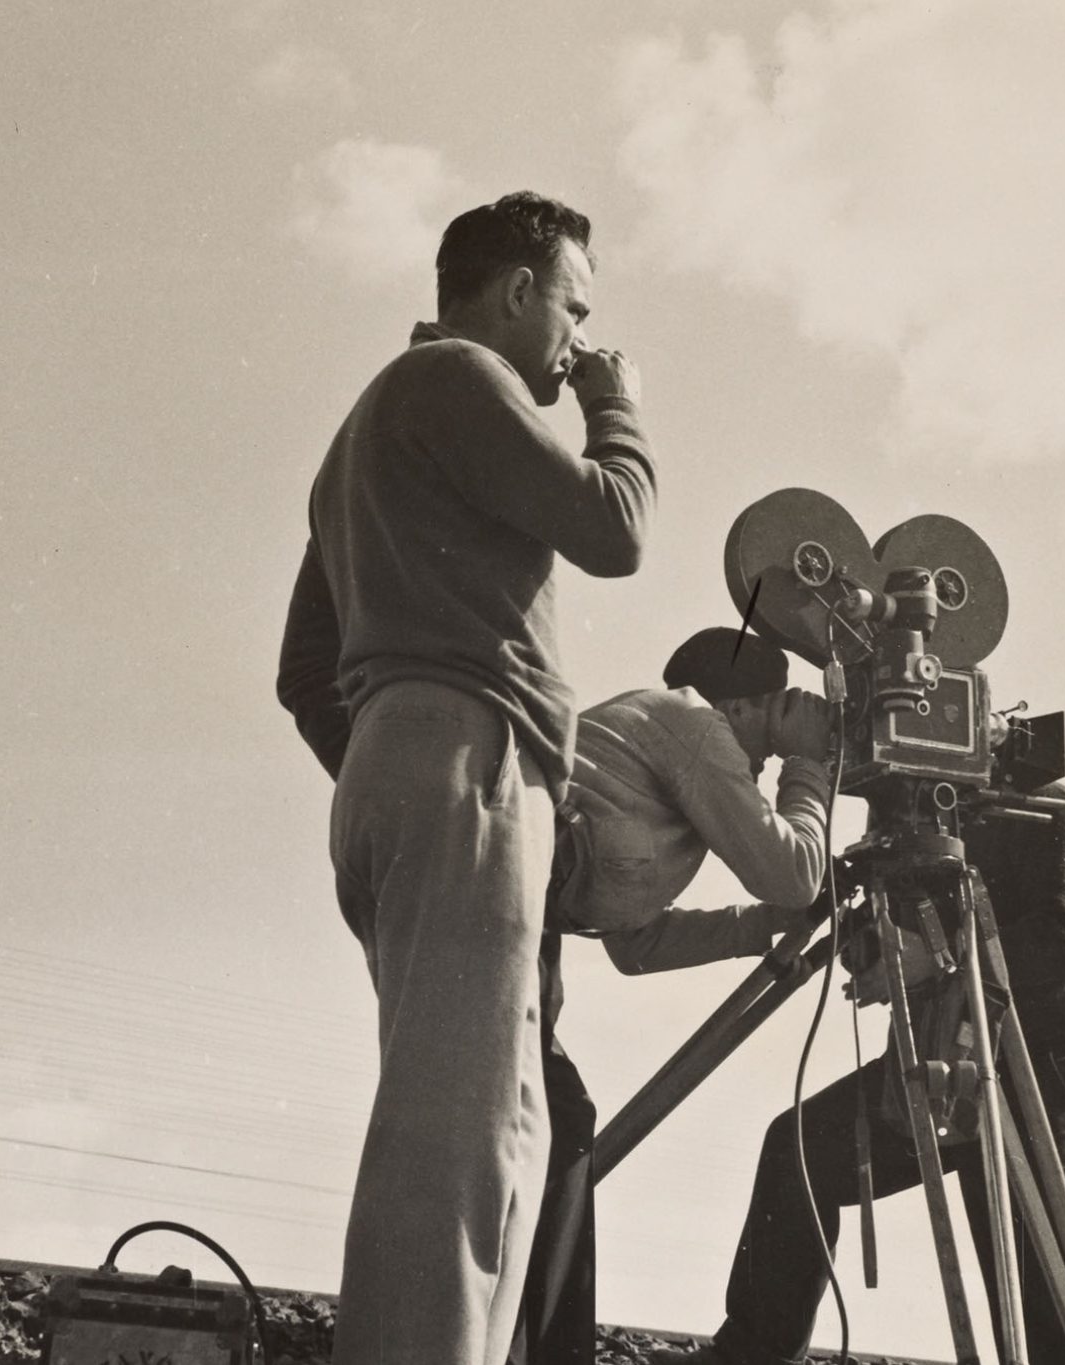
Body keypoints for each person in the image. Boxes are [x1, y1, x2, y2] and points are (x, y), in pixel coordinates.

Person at [275, 190, 656, 1365]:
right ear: (517, 291)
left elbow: (302, 675)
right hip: (465, 756)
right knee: (462, 1147)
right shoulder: (459, 380)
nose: (576, 341)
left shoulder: (364, 439)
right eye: (573, 310)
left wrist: (399, 761)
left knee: (492, 1132)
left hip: (409, 760)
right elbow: (615, 528)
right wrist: (615, 404)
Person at [657, 774, 1065, 1365]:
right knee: (800, 1150)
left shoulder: (1053, 812)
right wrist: (877, 946)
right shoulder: (928, 821)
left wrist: (936, 959)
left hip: (1046, 1071)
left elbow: (1062, 941)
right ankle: (753, 1353)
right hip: (945, 1059)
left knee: (1047, 1288)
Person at [511, 626, 836, 1365]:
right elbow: (794, 873)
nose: (758, 768)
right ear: (744, 708)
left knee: (555, 1127)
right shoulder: (692, 722)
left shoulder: (660, 770)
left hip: (526, 927)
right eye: (765, 742)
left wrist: (759, 929)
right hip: (501, 910)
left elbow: (636, 944)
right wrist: (810, 764)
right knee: (553, 1127)